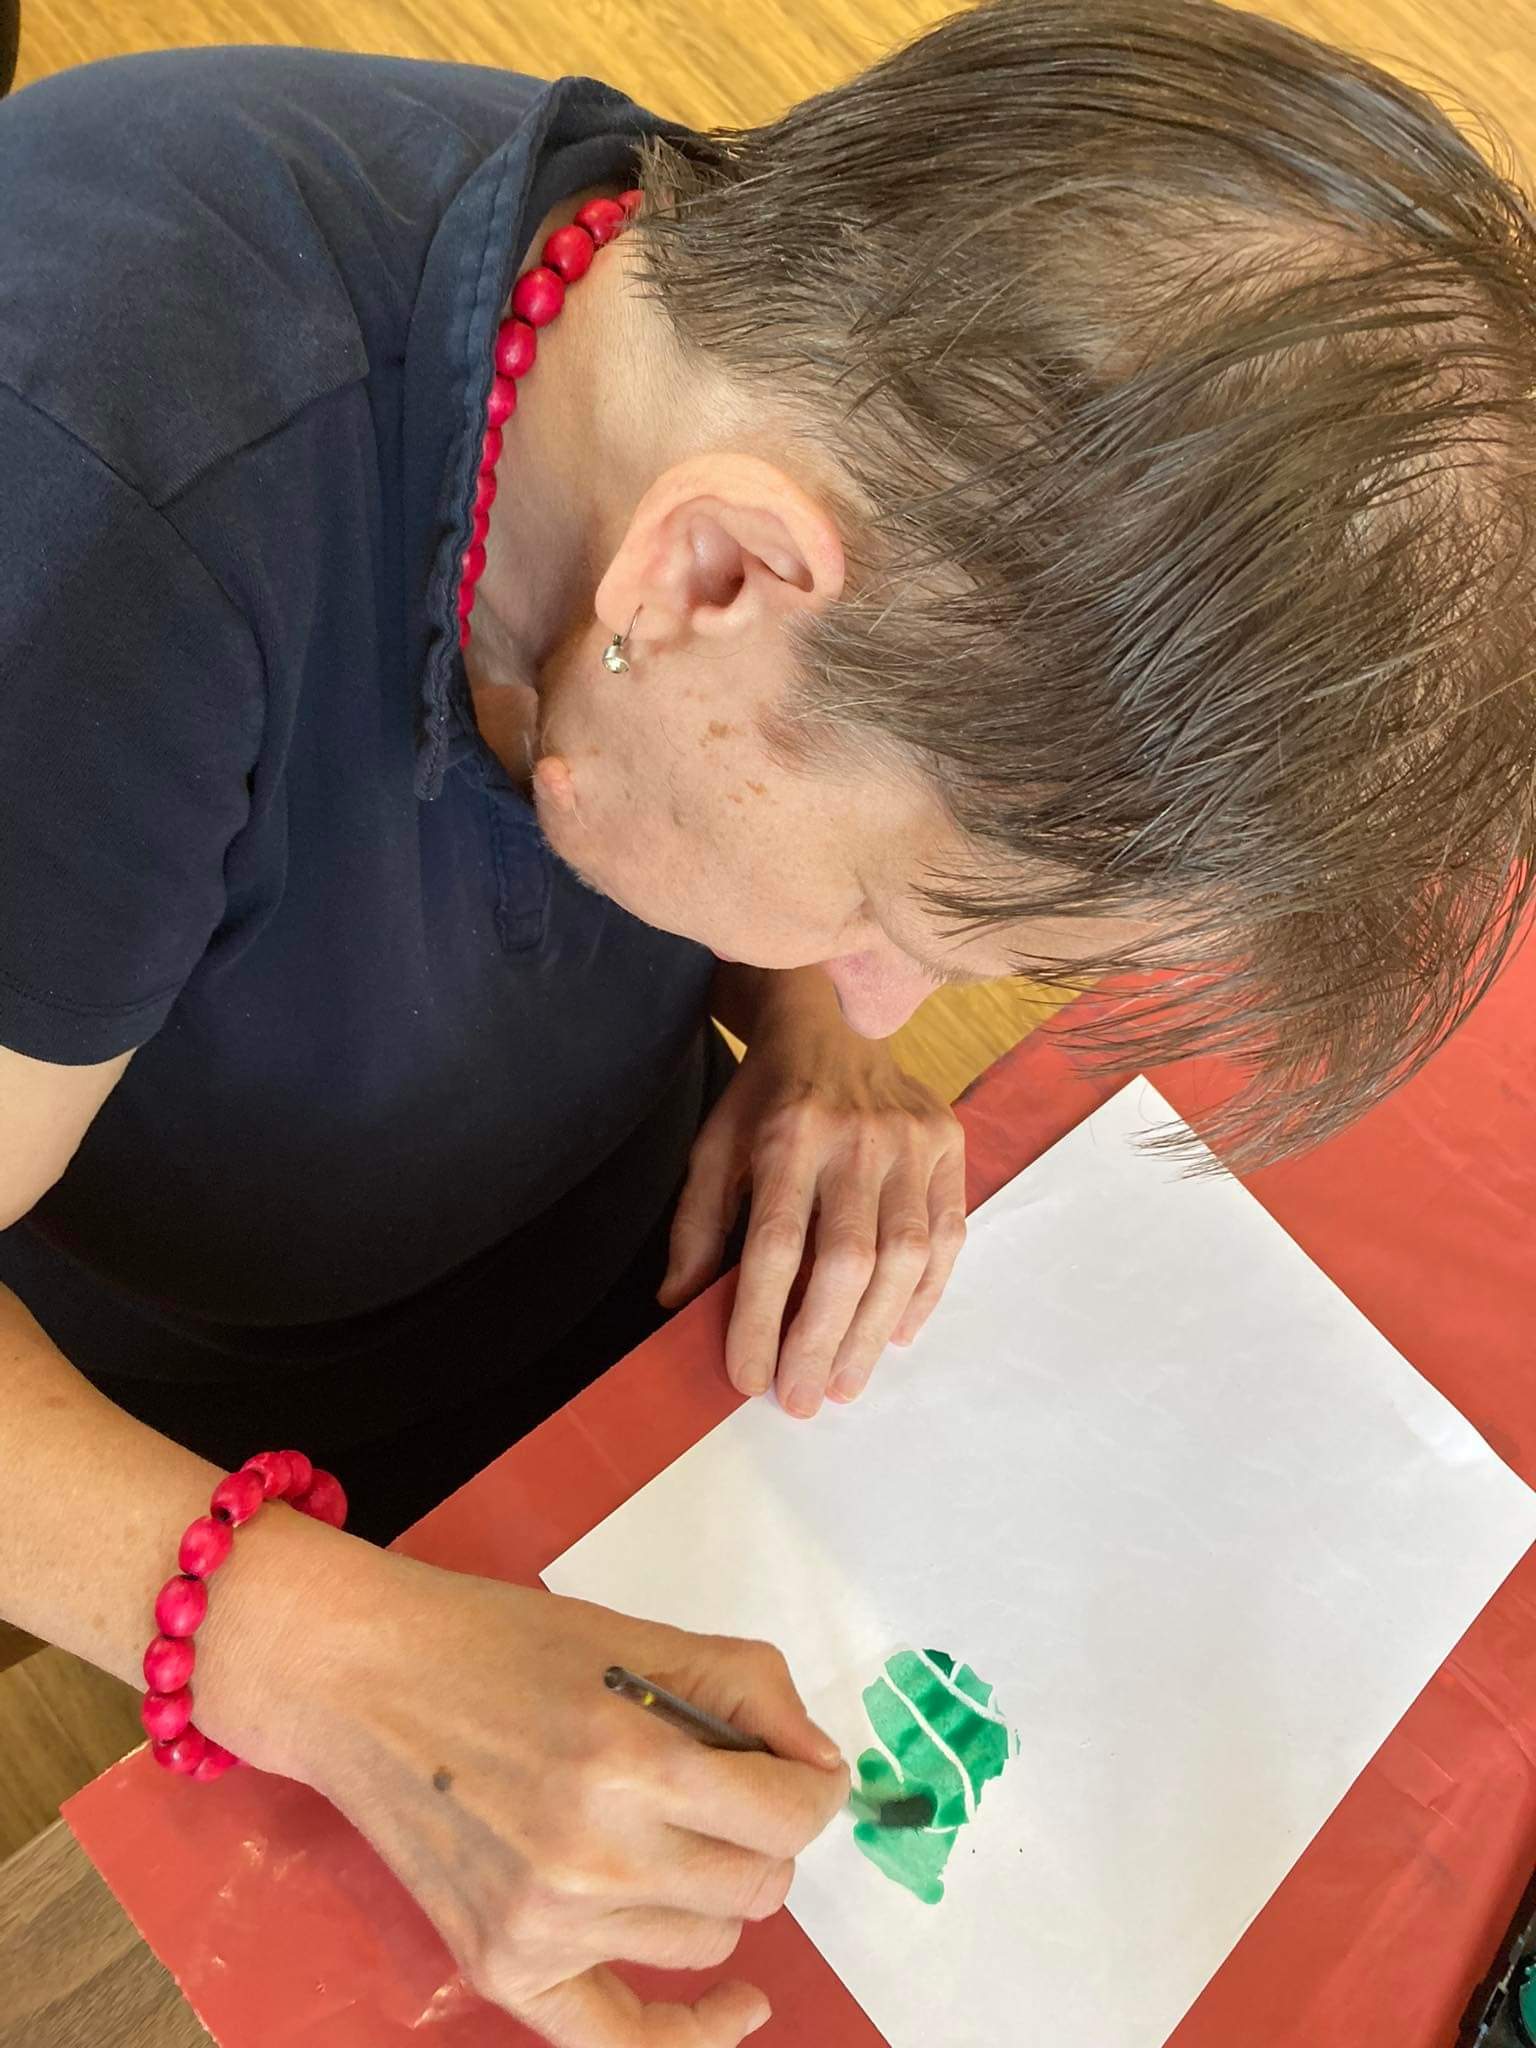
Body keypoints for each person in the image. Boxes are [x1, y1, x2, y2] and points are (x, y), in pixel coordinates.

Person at [2, 0, 1533, 2041]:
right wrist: (303, 1648)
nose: (898, 1000)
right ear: (714, 572)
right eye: (901, 913)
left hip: (592, 1276)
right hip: (187, 1409)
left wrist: (805, 1024)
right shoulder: (89, 506)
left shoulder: (721, 325)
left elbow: (728, 740)